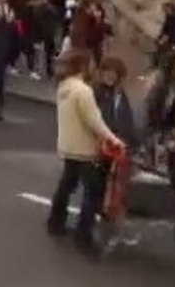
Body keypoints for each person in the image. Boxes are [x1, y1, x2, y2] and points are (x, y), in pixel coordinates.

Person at [47, 49, 124, 257]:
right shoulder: (83, 91)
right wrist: (114, 140)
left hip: (68, 145)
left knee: (67, 185)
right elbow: (95, 121)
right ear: (83, 66)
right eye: (91, 63)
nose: (93, 67)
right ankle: (83, 236)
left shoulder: (64, 87)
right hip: (85, 149)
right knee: (93, 193)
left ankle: (55, 221)